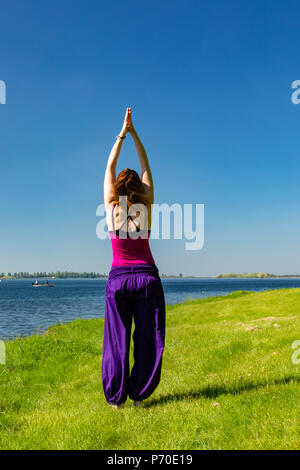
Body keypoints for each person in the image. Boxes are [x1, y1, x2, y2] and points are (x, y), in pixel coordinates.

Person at [102, 107, 166, 408]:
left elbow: (109, 164)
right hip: (146, 278)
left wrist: (121, 134)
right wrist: (135, 133)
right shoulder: (147, 206)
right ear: (139, 189)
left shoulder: (112, 208)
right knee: (148, 339)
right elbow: (146, 165)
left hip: (118, 280)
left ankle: (116, 400)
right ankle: (139, 395)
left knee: (117, 341)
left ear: (117, 188)